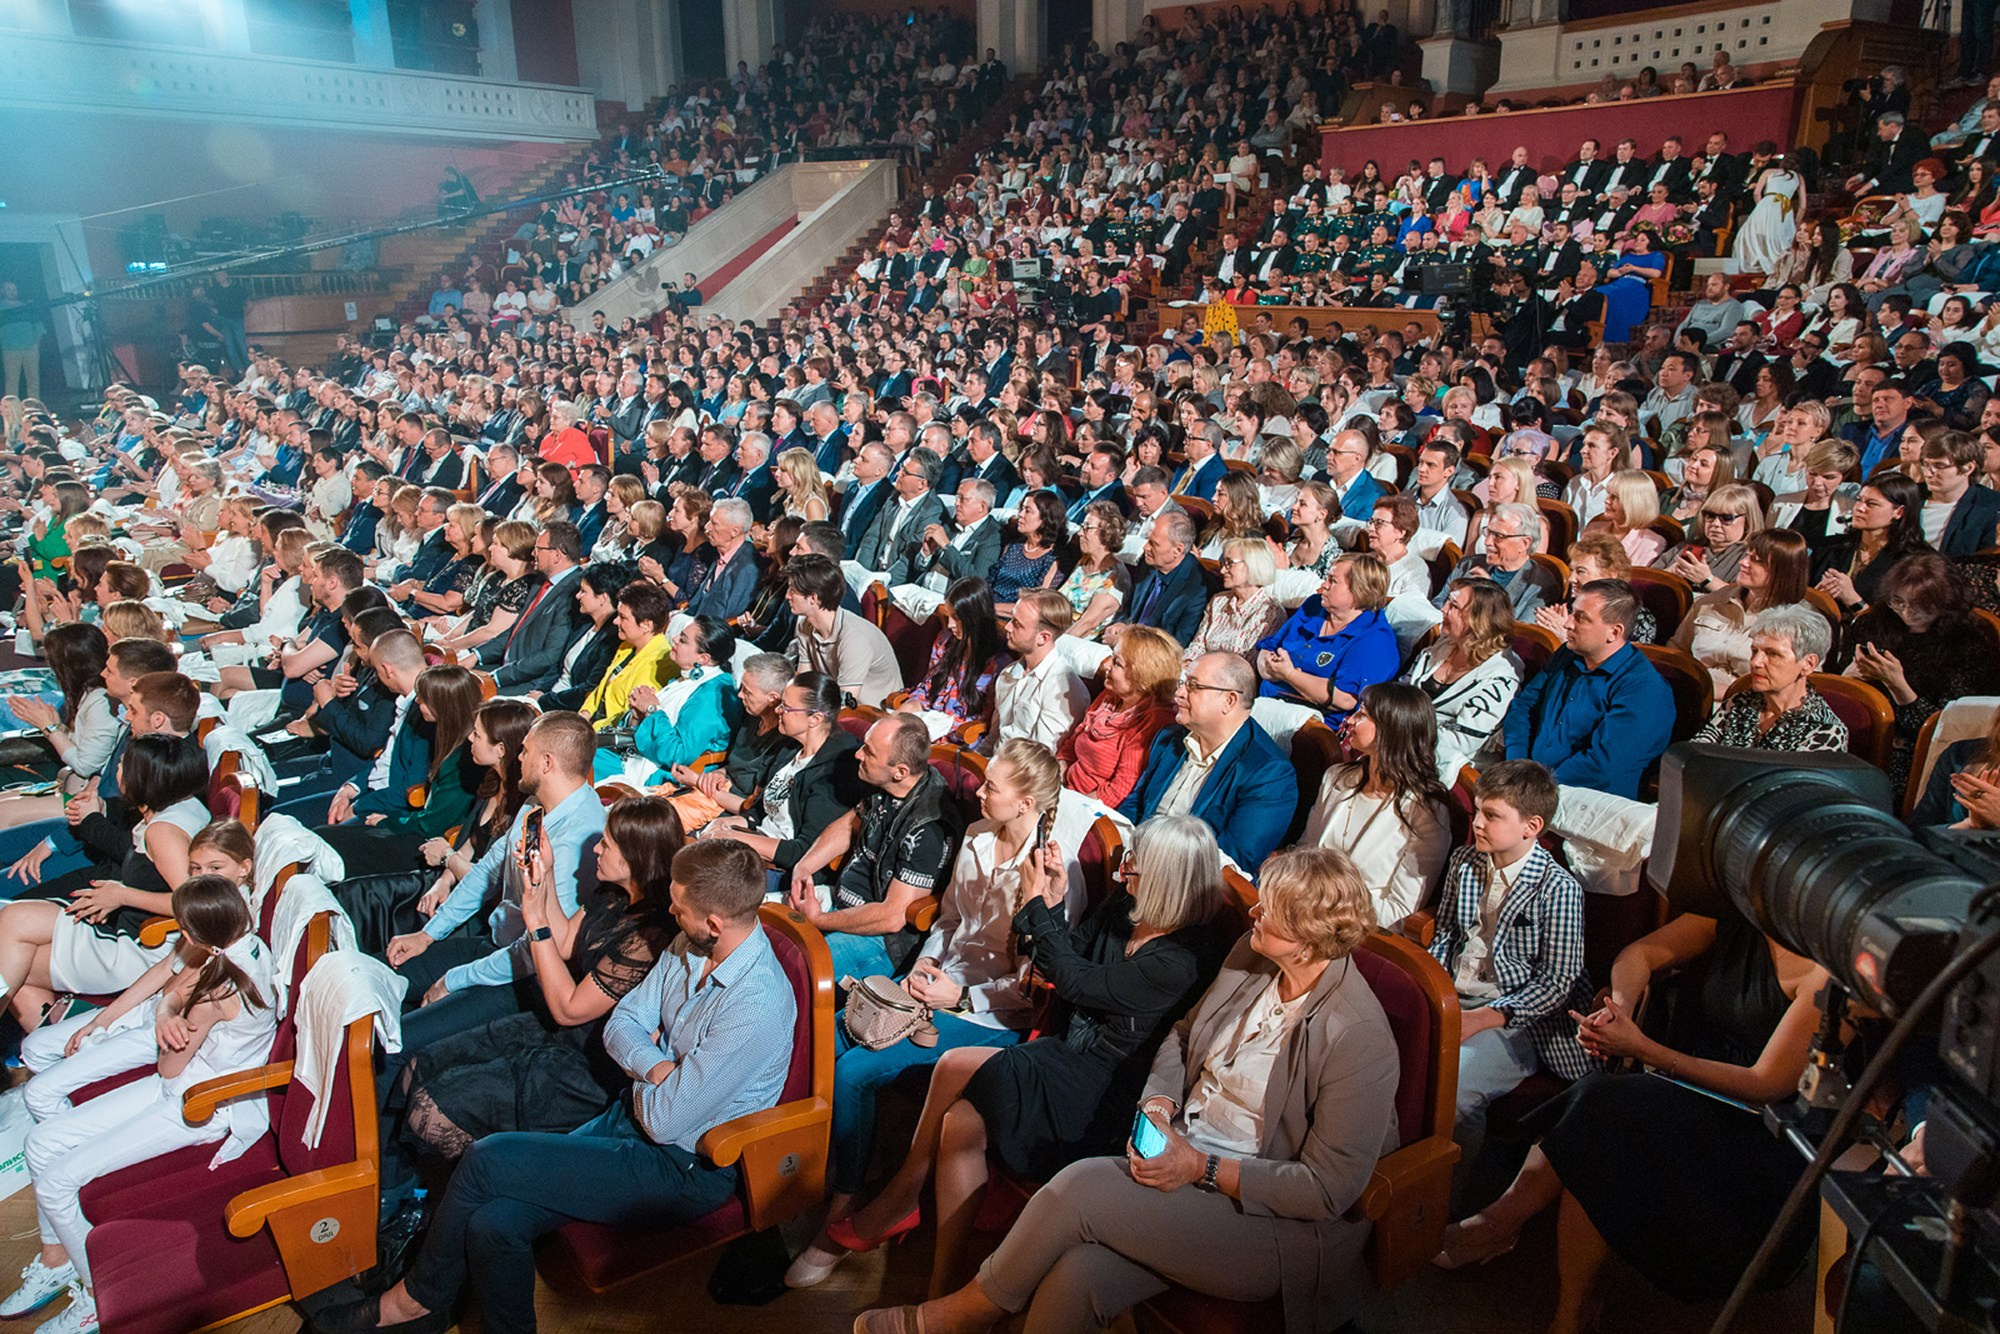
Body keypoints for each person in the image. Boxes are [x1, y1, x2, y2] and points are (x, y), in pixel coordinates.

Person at [852, 845, 1396, 1334]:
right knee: (1076, 1277)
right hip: (1186, 1156)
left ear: (1306, 941)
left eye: (1269, 910)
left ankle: (959, 1316)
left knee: (1080, 1187)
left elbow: (1327, 1191)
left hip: (1268, 1221)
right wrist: (1160, 1103)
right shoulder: (1251, 957)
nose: (1252, 912)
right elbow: (1184, 1036)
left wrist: (1201, 1169)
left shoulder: (1357, 1035)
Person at [335, 839, 795, 1334]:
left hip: (682, 1167)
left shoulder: (757, 1005)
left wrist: (644, 1069)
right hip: (629, 1119)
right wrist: (660, 1070)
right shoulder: (691, 943)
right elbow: (623, 1022)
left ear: (714, 924)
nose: (669, 913)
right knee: (495, 1224)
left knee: (488, 1157)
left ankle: (414, 1301)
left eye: (678, 908)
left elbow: (665, 1122)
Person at [830, 814, 1227, 1300]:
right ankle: (940, 1281)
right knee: (958, 1121)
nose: (1124, 874)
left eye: (1135, 868)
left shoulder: (1182, 958)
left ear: (1167, 881)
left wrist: (1040, 902)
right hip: (1068, 1053)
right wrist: (1053, 905)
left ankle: (905, 1207)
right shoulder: (1127, 906)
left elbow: (1077, 981)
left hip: (1107, 1088)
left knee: (956, 1079)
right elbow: (1057, 959)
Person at [1436, 911, 1829, 1334]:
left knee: (1606, 1110)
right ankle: (1564, 1303)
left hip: (1757, 1135)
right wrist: (1617, 1008)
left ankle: (1504, 1228)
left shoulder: (1824, 974)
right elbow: (1638, 953)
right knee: (1603, 1121)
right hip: (1690, 1092)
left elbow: (1763, 1084)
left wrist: (1643, 1048)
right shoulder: (1735, 917)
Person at [784, 739, 1065, 1290]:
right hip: (939, 980)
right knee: (837, 1041)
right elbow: (949, 919)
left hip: (992, 1015)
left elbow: (1033, 988)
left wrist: (957, 996)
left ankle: (848, 1201)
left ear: (1028, 803)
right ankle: (836, 1171)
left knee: (855, 1071)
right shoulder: (980, 835)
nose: (978, 792)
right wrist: (930, 963)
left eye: (992, 788)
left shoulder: (1050, 872)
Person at [4, 875, 276, 1334]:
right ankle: (60, 1260)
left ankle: (95, 1294)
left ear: (194, 934)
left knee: (54, 1183)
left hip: (199, 1106)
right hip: (184, 1082)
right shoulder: (239, 950)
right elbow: (171, 1002)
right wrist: (168, 1011)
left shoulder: (217, 989)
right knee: (39, 1143)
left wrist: (168, 1015)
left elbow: (170, 1065)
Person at [392, 797, 677, 1174]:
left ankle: (470, 1184)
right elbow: (564, 942)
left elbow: (570, 1008)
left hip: (587, 1058)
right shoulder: (614, 896)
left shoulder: (649, 936)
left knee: (433, 1109)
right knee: (417, 1066)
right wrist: (543, 877)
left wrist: (536, 922)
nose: (596, 849)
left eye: (606, 844)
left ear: (633, 858)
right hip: (552, 1026)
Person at [1428, 759, 1593, 1162]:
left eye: (1492, 815)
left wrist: (1486, 1017)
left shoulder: (1558, 889)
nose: (1478, 823)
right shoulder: (1465, 863)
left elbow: (1556, 983)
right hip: (1457, 996)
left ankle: (1445, 1202)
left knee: (1456, 1091)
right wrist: (1433, 991)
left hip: (1517, 1017)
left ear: (1531, 826)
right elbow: (1446, 935)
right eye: (1479, 811)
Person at [0, 735, 210, 1027]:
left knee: (9, 950)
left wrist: (123, 896)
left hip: (139, 949)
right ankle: (53, 1042)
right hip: (134, 931)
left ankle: (57, 1042)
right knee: (12, 934)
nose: (117, 771)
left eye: (123, 765)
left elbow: (194, 904)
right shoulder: (183, 805)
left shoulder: (163, 833)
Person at [783, 712, 961, 980]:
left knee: (795, 969)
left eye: (869, 751)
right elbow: (847, 825)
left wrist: (818, 919)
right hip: (839, 904)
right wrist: (802, 868)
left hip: (881, 939)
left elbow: (892, 917)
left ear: (900, 771)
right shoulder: (886, 783)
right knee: (760, 934)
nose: (858, 755)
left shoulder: (929, 826)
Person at [1120, 652, 1298, 873]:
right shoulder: (1169, 739)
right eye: (1183, 683)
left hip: (1187, 885)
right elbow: (1135, 805)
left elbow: (1233, 859)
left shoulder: (1269, 774)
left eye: (1193, 685)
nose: (1179, 693)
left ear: (1229, 700)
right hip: (1133, 864)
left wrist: (1150, 866)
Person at [1836, 552, 2000, 790]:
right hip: (1859, 733)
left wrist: (1898, 686)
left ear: (1945, 603)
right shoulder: (1873, 625)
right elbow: (1836, 692)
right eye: (1899, 601)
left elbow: (1947, 728)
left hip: (1914, 751)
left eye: (1921, 606)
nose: (1907, 613)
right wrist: (1848, 679)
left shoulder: (1967, 642)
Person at [1503, 579, 1675, 798]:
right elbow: (1524, 707)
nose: (1567, 624)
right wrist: (1517, 764)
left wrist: (1536, 788)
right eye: (1572, 613)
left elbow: (1602, 765)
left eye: (1580, 618)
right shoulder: (1567, 654)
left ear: (1614, 632)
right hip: (1529, 783)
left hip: (1587, 801)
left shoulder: (1645, 689)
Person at [1300, 682, 1452, 926]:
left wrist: (1324, 906)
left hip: (1361, 929)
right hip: (1302, 909)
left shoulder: (1424, 811)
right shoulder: (1337, 777)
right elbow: (1306, 850)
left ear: (1390, 730)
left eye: (1362, 715)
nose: (1349, 721)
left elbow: (1401, 909)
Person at [1254, 553, 1400, 726]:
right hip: (1264, 703)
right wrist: (1269, 669)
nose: (1324, 586)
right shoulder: (1314, 606)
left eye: (1332, 581)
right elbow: (1270, 647)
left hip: (1311, 725)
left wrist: (1289, 674)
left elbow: (1345, 699)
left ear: (1359, 590)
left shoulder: (1375, 640)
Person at [1402, 577, 1522, 780]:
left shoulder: (1501, 677)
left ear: (1479, 620)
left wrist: (1398, 735)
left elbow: (1463, 741)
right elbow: (1403, 692)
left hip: (1449, 769)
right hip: (1403, 749)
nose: (1443, 610)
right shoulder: (1443, 645)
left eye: (1454, 606)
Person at [1670, 528, 1813, 696]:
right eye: (1747, 555)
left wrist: (1720, 692)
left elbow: (1798, 688)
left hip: (1747, 705)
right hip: (1689, 694)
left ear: (1782, 571)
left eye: (1756, 560)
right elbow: (1677, 649)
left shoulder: (1802, 622)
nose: (1743, 562)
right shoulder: (1710, 602)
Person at [1692, 606, 1848, 751]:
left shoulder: (1824, 730)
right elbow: (1697, 755)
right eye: (1754, 651)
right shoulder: (1741, 702)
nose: (1755, 662)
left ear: (1808, 663)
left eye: (1773, 654)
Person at [1056, 626, 1179, 809]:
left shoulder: (1153, 720)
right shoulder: (1111, 695)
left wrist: (1067, 805)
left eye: (1117, 663)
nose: (1107, 665)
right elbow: (1072, 743)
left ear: (1142, 676)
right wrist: (1059, 773)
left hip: (1089, 809)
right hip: (1065, 789)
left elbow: (1118, 791)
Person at [615, 615, 739, 783]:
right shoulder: (686, 679)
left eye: (683, 640)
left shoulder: (713, 695)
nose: (674, 639)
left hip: (663, 776)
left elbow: (677, 754)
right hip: (634, 755)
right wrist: (637, 715)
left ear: (703, 658)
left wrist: (652, 710)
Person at [786, 553, 901, 708]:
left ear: (813, 598)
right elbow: (805, 680)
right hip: (832, 702)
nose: (787, 596)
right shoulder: (805, 625)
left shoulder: (854, 638)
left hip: (871, 713)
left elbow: (846, 705)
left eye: (792, 590)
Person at [897, 578, 1005, 735]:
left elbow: (981, 722)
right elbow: (927, 688)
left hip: (957, 737)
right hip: (927, 725)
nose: (950, 625)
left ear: (974, 617)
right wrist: (912, 704)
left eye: (957, 618)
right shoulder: (945, 640)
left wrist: (931, 727)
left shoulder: (997, 662)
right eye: (949, 616)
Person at [1812, 473, 1929, 618]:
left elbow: (1904, 625)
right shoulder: (1829, 547)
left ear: (1898, 512)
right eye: (1859, 500)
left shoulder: (1916, 562)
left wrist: (1853, 600)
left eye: (1872, 504)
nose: (1859, 508)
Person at [993, 590, 1092, 751]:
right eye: (1011, 619)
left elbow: (1041, 758)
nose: (1008, 627)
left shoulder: (1063, 689)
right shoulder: (1008, 672)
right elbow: (995, 736)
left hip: (1020, 773)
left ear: (1043, 638)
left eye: (1017, 624)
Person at [1053, 502, 1131, 640]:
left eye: (1087, 528)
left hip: (1072, 643)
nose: (1079, 533)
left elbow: (1087, 624)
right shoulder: (1084, 561)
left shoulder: (1115, 579)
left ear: (1106, 534)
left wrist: (1051, 649)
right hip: (1053, 630)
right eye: (1082, 527)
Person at [1731, 154, 1802, 272]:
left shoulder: (1768, 172)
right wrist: (1796, 222)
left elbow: (1756, 193)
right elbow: (1803, 205)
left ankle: (1755, 262)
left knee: (1757, 233)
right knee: (1780, 236)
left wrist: (1761, 207)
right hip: (1784, 208)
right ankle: (1775, 266)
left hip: (1766, 203)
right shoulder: (1798, 177)